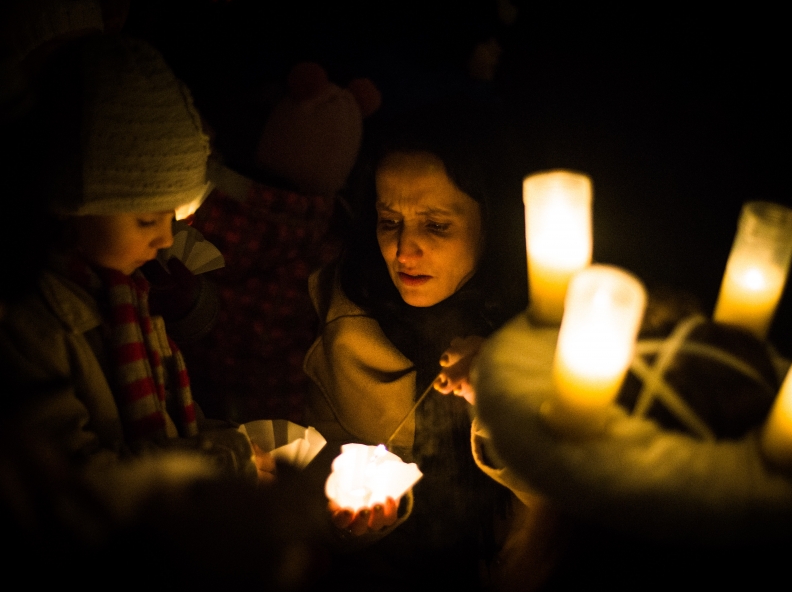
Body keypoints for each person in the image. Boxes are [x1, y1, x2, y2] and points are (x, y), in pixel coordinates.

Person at [0, 34, 268, 483]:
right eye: (146, 220)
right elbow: (72, 482)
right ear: (71, 206)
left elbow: (170, 421)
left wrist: (232, 444)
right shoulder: (32, 326)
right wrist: (221, 460)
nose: (165, 240)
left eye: (172, 217)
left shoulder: (125, 297)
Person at [301, 101, 532, 589]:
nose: (404, 251)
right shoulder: (348, 323)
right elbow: (315, 490)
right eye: (389, 222)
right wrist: (350, 523)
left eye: (436, 225)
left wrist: (502, 403)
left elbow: (576, 507)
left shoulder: (543, 330)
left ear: (493, 223)